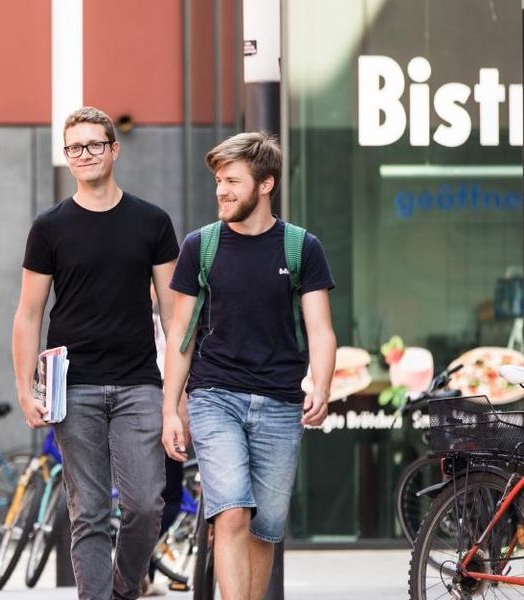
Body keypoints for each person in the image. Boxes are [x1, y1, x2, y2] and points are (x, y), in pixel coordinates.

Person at [11, 106, 180, 600]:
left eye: (94, 145)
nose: (84, 154)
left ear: (114, 149)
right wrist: (25, 389)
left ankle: (126, 585)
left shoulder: (152, 221)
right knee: (87, 513)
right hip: (73, 384)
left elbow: (174, 316)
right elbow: (28, 314)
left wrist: (177, 394)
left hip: (139, 384)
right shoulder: (50, 226)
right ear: (67, 156)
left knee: (146, 504)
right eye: (74, 147)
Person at [161, 132, 336, 600]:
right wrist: (170, 409)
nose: (221, 190)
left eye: (232, 181)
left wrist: (320, 383)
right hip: (215, 395)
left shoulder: (302, 248)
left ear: (265, 185)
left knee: (265, 527)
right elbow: (182, 333)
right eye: (218, 181)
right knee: (233, 511)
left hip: (281, 402)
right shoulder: (202, 246)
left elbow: (320, 329)